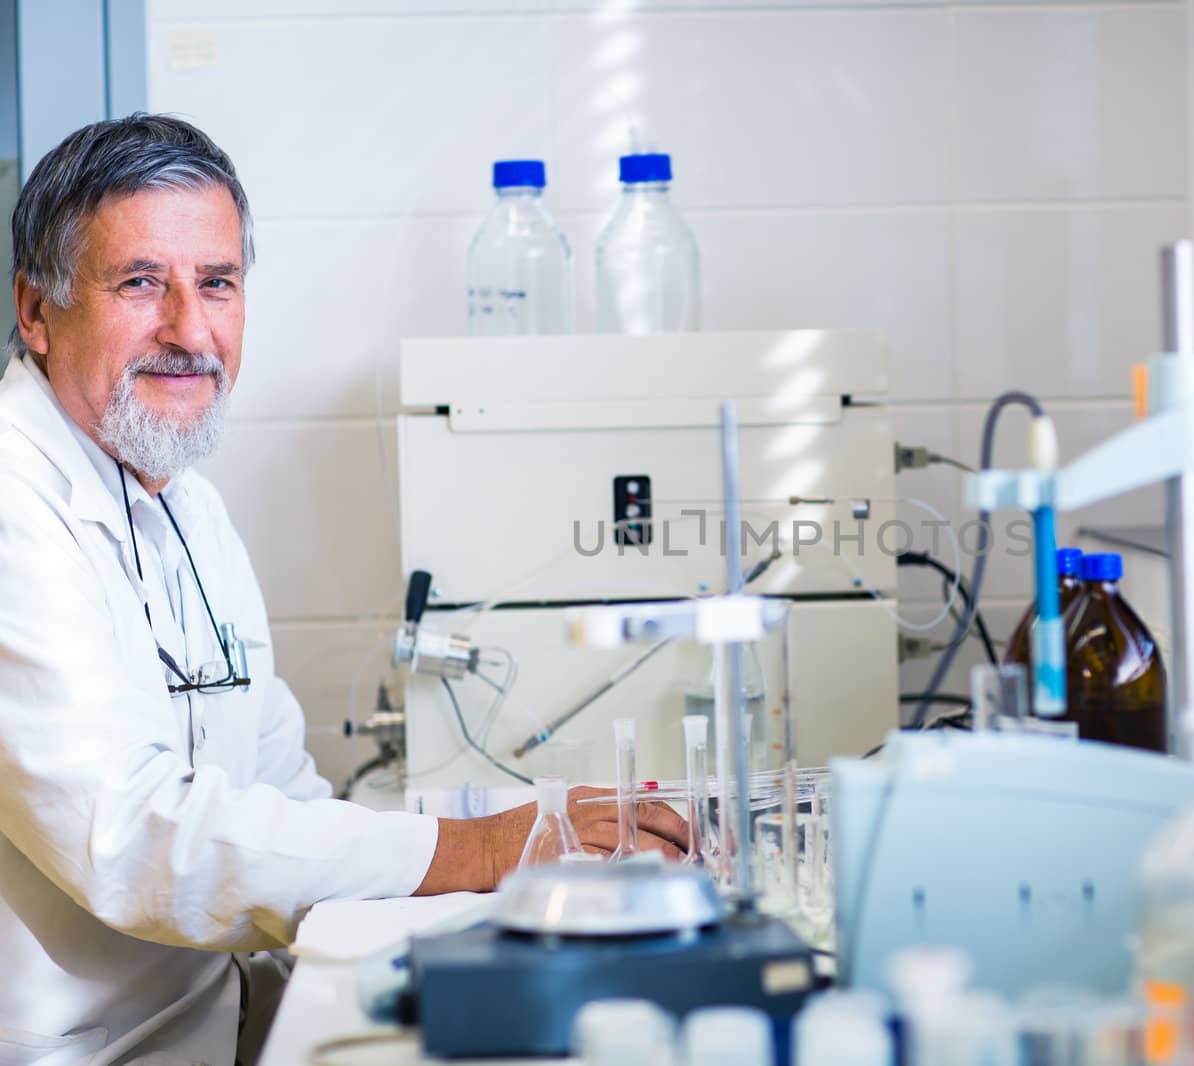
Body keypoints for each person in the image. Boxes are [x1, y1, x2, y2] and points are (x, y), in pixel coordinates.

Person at [0, 114, 689, 1065]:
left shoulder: (183, 502)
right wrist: (482, 852)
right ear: (36, 311)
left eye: (218, 284)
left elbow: (281, 790)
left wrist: (531, 826)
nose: (189, 331)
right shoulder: (12, 503)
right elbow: (130, 836)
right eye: (140, 283)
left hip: (214, 1026)